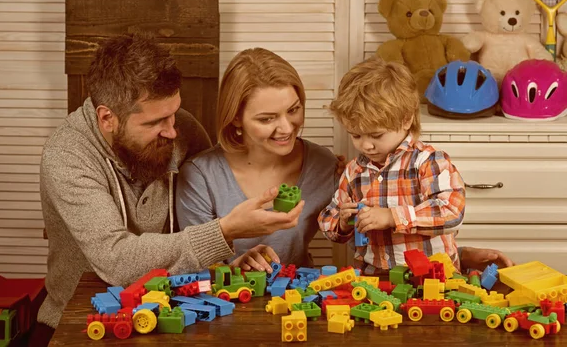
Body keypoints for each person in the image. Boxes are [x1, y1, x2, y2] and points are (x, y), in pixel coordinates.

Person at [32, 36, 304, 345]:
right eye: (156, 121)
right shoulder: (67, 156)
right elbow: (117, 261)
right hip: (82, 321)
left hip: (173, 314)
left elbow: (204, 209)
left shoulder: (183, 129)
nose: (173, 130)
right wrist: (225, 231)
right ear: (108, 118)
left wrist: (227, 267)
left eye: (174, 112)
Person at [318, 56, 513, 274]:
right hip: (375, 279)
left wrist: (392, 217)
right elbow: (328, 218)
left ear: (406, 120)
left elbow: (451, 211)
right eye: (355, 135)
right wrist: (343, 223)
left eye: (376, 135)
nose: (366, 145)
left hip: (434, 278)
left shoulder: (429, 162)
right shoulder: (354, 171)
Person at [176, 48, 339, 271]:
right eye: (267, 118)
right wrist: (232, 269)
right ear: (235, 118)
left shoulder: (323, 164)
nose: (286, 128)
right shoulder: (201, 176)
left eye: (293, 110)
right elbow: (193, 266)